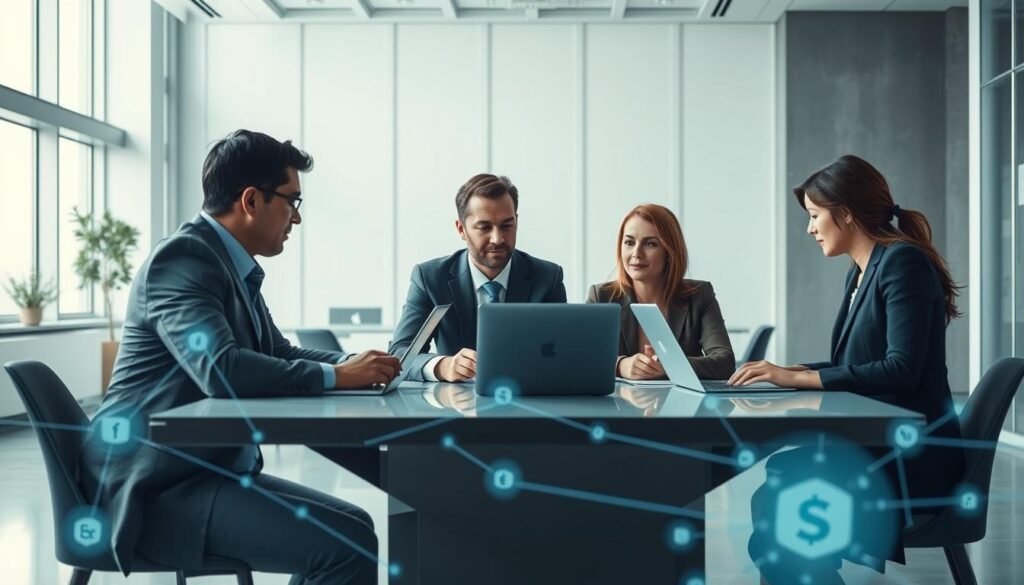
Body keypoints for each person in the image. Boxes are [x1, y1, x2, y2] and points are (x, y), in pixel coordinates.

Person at [80, 130, 399, 584]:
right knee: (346, 545)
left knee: (355, 528)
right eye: (292, 202)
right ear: (252, 200)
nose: (297, 219)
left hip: (200, 470)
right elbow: (222, 370)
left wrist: (356, 365)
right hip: (156, 488)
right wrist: (336, 376)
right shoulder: (184, 258)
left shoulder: (228, 263)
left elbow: (278, 353)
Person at [730, 154, 965, 584]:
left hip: (913, 457)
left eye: (815, 216)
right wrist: (790, 369)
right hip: (882, 446)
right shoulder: (861, 271)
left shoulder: (902, 262)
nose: (809, 228)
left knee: (782, 506)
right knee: (779, 489)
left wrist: (800, 378)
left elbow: (901, 369)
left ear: (846, 214)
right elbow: (854, 366)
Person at [389, 173, 567, 382]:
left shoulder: (548, 278)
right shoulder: (429, 279)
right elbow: (399, 354)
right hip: (454, 405)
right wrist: (443, 366)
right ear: (461, 229)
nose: (497, 238)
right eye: (484, 227)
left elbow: (562, 354)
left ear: (516, 221)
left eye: (507, 226)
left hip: (529, 400)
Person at [585, 204, 735, 381]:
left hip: (681, 407)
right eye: (629, 242)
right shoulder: (601, 296)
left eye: (650, 244)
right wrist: (620, 365)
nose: (636, 253)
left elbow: (725, 362)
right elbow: (579, 356)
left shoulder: (699, 295)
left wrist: (670, 366)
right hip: (617, 406)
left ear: (669, 252)